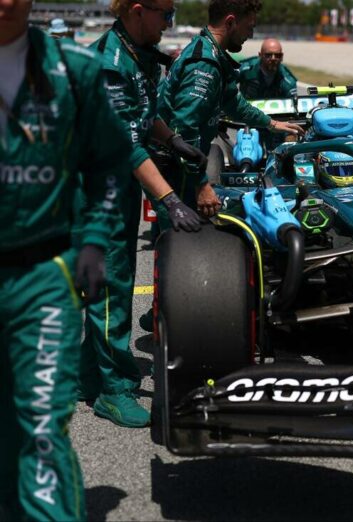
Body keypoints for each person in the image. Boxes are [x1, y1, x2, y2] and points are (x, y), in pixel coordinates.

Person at [0, 0, 132, 517]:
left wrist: (95, 239)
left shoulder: (73, 69)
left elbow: (110, 160)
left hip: (42, 275)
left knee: (40, 424)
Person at [78, 0, 209, 428]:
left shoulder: (137, 55)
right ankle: (113, 390)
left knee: (112, 280)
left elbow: (143, 117)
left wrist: (172, 140)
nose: (170, 23)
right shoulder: (110, 65)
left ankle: (89, 375)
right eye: (165, 13)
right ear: (137, 10)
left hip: (117, 183)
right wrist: (170, 199)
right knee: (112, 287)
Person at [141, 0, 304, 332]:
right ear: (231, 22)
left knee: (181, 242)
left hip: (183, 165)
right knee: (182, 245)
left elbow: (234, 104)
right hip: (175, 170)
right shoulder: (204, 65)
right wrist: (202, 184)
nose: (250, 34)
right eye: (249, 26)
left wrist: (271, 124)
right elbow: (184, 131)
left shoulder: (214, 55)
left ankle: (168, 315)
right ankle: (169, 321)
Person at [238, 38, 297, 152]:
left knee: (282, 152)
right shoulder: (245, 69)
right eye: (268, 55)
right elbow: (226, 88)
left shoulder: (288, 80)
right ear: (260, 55)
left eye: (277, 55)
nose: (273, 58)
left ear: (282, 57)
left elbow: (293, 114)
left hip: (275, 124)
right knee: (246, 152)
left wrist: (290, 139)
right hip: (249, 121)